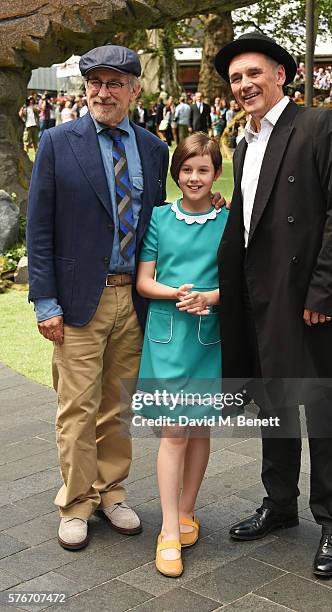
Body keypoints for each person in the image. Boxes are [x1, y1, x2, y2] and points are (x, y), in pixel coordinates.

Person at [214, 31, 332, 578]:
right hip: (266, 298)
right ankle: (279, 505)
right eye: (235, 78)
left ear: (281, 74)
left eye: (253, 73)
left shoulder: (319, 124)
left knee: (327, 413)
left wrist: (325, 292)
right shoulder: (244, 142)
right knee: (275, 407)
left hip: (315, 300)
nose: (244, 85)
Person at [27, 44, 169, 551]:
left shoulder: (153, 149)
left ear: (135, 89)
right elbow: (39, 228)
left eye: (114, 83)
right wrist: (46, 303)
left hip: (133, 299)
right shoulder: (57, 142)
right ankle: (76, 503)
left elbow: (158, 222)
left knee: (117, 407)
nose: (102, 92)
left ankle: (111, 492)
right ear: (85, 88)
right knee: (77, 408)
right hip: (78, 301)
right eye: (95, 83)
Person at [135, 133, 228, 577]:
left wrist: (210, 297)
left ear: (215, 175)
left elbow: (242, 284)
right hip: (167, 338)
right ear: (177, 173)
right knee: (174, 433)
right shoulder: (157, 218)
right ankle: (168, 530)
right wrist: (178, 294)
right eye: (187, 169)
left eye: (203, 170)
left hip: (208, 336)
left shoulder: (229, 222)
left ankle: (188, 511)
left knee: (199, 428)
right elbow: (144, 282)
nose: (194, 177)